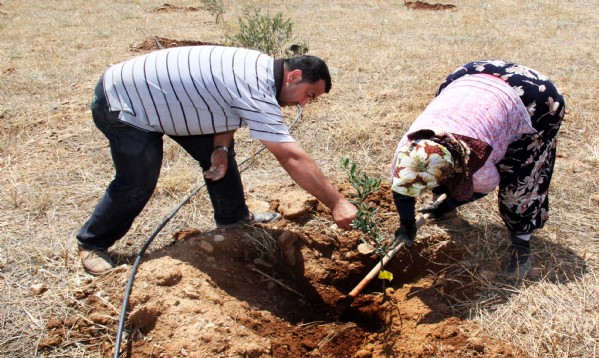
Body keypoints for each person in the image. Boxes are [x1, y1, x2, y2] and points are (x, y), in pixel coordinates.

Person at [77, 46, 357, 276]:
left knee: (219, 154)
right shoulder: (256, 87)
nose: (303, 105)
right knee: (138, 180)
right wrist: (336, 202)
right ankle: (92, 243)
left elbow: (222, 104)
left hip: (171, 102)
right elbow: (290, 155)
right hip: (125, 102)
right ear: (294, 76)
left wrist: (221, 147)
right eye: (308, 95)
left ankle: (233, 219)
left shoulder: (260, 68)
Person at [391, 60, 565, 278]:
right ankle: (445, 209)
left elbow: (483, 188)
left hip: (534, 98)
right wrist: (406, 224)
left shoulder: (478, 167)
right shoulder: (408, 147)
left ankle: (521, 247)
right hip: (471, 76)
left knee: (521, 180)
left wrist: (450, 200)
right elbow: (403, 186)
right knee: (435, 169)